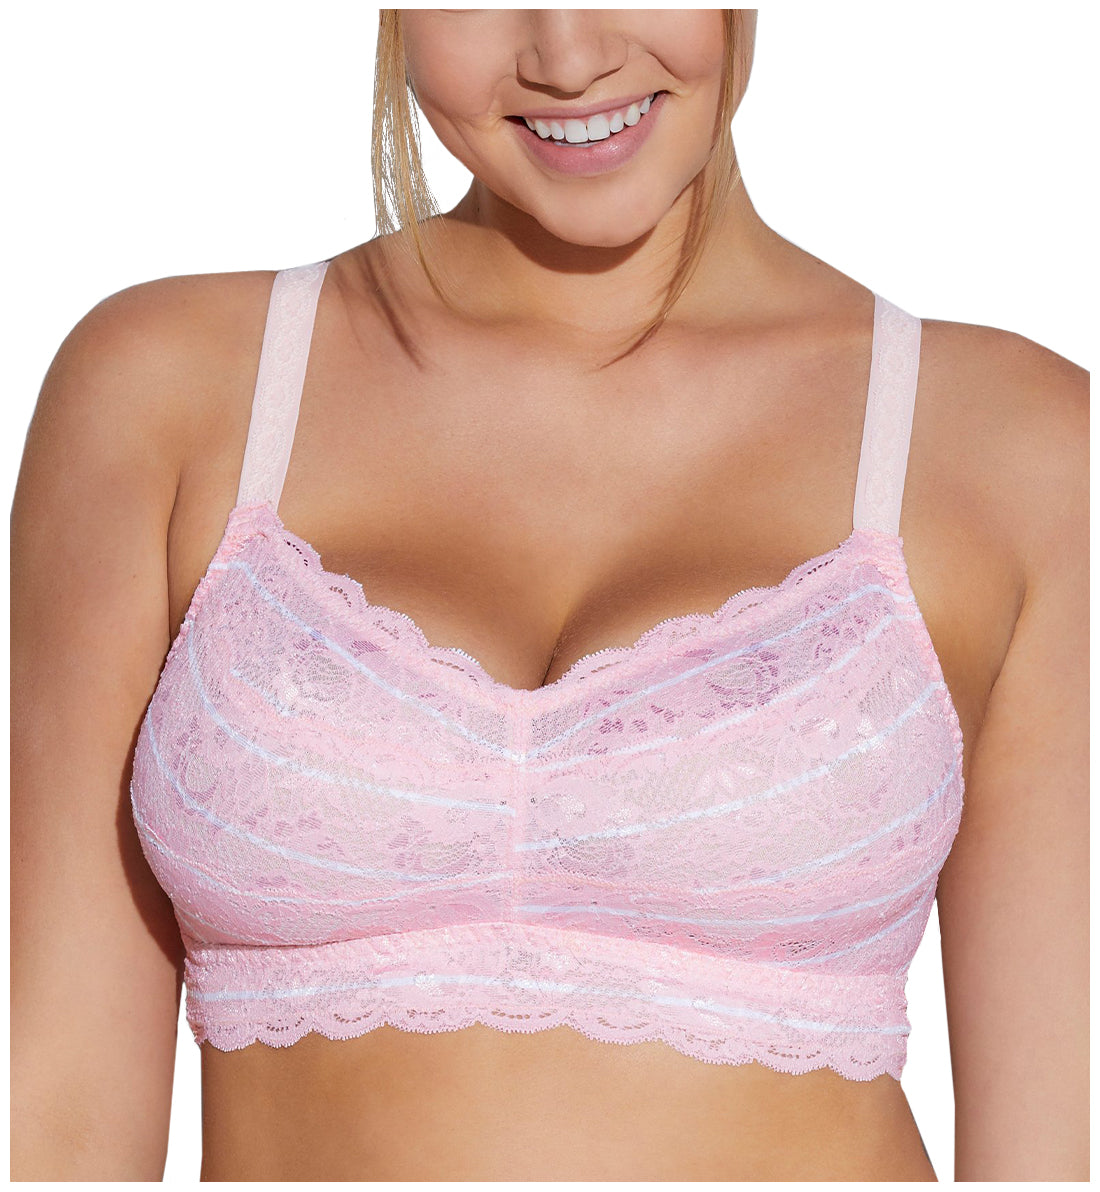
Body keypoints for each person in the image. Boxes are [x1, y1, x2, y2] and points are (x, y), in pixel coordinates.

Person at [10, 8, 1088, 1182]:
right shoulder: (164, 391)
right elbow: (56, 1119)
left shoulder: (1015, 447)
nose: (567, 57)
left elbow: (1051, 1152)